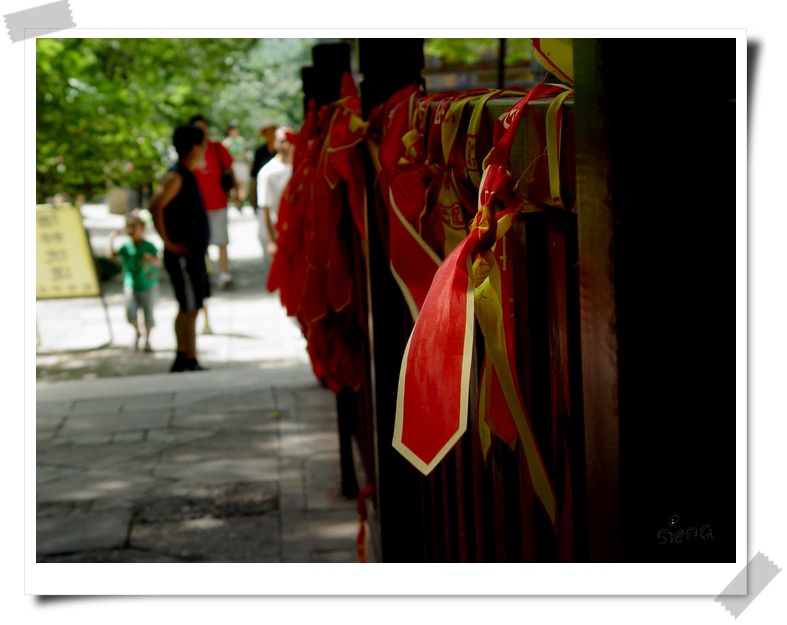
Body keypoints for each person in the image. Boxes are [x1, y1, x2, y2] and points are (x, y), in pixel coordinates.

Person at [149, 124, 211, 373]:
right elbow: (155, 205)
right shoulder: (176, 176)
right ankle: (186, 356)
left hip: (193, 254)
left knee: (191, 306)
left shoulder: (186, 174)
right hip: (183, 255)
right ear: (194, 148)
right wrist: (168, 242)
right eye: (204, 146)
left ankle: (187, 355)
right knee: (188, 306)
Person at [189, 115, 235, 290]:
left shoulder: (217, 147)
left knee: (221, 240)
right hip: (197, 204)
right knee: (202, 243)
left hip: (219, 201)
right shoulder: (190, 150)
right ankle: (207, 274)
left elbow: (229, 169)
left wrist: (236, 192)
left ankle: (224, 273)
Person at [108, 209, 161, 353]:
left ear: (142, 228)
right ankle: (138, 332)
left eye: (134, 226)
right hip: (131, 284)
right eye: (128, 226)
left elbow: (159, 262)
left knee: (148, 314)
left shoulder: (148, 246)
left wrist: (151, 260)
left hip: (148, 285)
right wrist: (111, 238)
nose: (131, 230)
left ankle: (147, 340)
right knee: (131, 314)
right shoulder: (126, 247)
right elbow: (113, 256)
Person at [256, 126, 294, 272]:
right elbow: (264, 207)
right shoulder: (267, 172)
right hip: (276, 231)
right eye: (283, 141)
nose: (287, 145)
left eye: (291, 140)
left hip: (294, 231)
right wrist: (271, 240)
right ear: (275, 143)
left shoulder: (301, 166)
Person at [249, 119, 278, 216]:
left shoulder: (281, 151)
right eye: (267, 132)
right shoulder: (259, 153)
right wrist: (253, 200)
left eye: (272, 131)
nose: (271, 134)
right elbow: (254, 177)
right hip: (264, 197)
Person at [222, 123, 250, 210]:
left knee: (244, 185)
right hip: (233, 165)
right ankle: (237, 202)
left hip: (242, 164)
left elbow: (245, 152)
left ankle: (239, 200)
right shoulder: (226, 142)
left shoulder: (241, 140)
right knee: (235, 184)